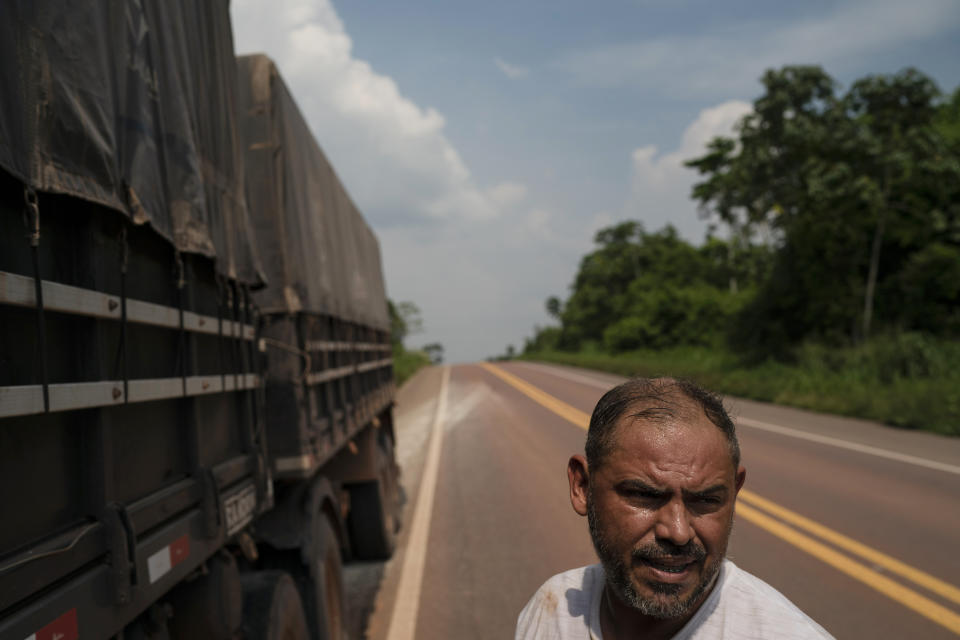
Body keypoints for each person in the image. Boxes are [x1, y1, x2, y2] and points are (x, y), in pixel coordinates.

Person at [515, 377, 833, 640]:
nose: (679, 532)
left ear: (734, 493)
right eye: (644, 495)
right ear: (582, 486)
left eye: (707, 500)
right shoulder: (550, 614)